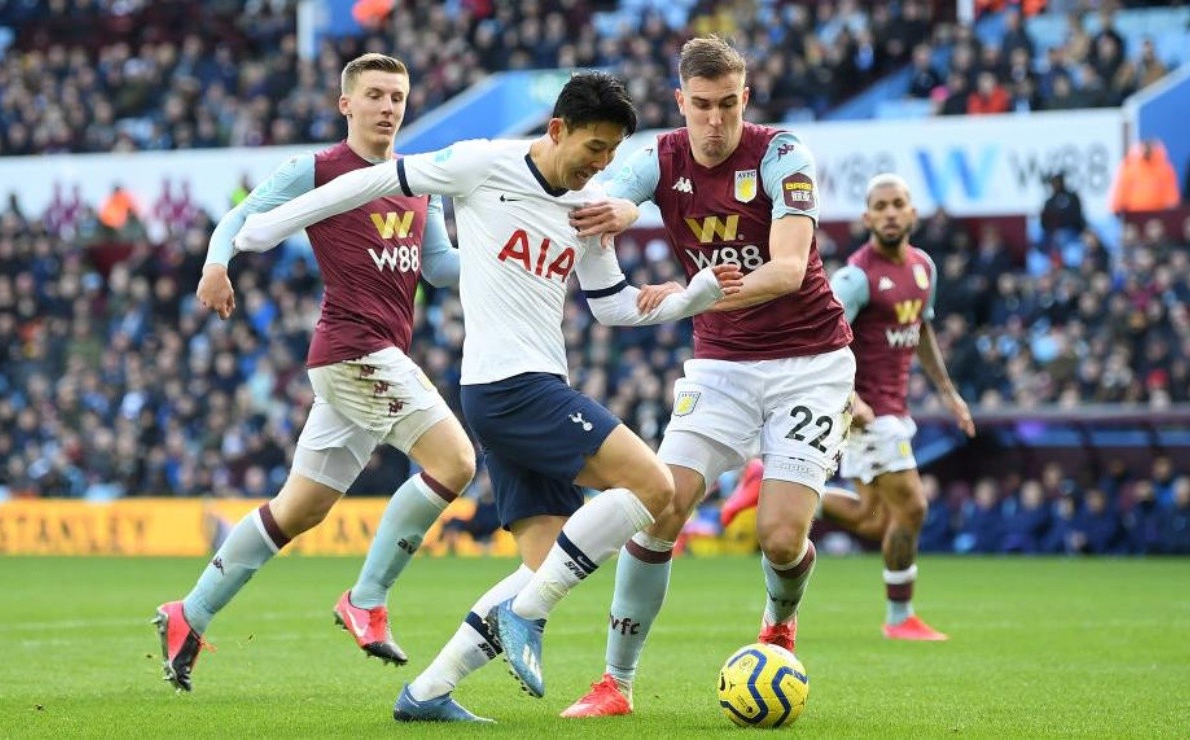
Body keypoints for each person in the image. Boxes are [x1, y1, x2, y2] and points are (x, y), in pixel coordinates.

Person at [235, 71, 743, 722]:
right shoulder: (481, 163)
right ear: (557, 129)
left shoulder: (585, 208)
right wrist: (270, 223)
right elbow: (375, 181)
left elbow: (613, 308)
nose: (602, 166)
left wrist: (694, 297)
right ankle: (525, 619)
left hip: (535, 387)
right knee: (655, 488)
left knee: (544, 562)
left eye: (613, 153)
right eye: (594, 147)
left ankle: (427, 692)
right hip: (507, 387)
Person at [153, 53, 478, 692]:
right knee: (456, 463)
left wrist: (505, 259)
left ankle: (186, 614)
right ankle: (367, 598)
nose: (389, 107)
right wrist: (216, 263)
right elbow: (241, 216)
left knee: (298, 510)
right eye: (376, 95)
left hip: (373, 358)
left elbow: (438, 269)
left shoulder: (419, 180)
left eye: (398, 96)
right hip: (353, 351)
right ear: (346, 105)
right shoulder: (317, 170)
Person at [559, 36, 855, 719]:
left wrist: (691, 294)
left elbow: (786, 270)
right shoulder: (662, 156)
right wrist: (624, 214)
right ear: (679, 103)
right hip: (721, 366)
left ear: (744, 99)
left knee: (781, 538)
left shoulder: (782, 153)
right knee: (659, 505)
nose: (714, 121)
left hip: (809, 364)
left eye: (727, 105)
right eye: (700, 106)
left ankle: (780, 620)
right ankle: (615, 684)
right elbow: (617, 197)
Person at [818, 173, 976, 641]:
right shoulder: (854, 278)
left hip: (894, 406)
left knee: (872, 517)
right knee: (913, 507)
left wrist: (948, 392)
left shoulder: (923, 267)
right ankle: (899, 618)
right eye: (880, 206)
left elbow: (921, 329)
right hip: (867, 410)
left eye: (897, 204)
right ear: (867, 218)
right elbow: (823, 340)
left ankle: (776, 488)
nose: (889, 212)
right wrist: (851, 399)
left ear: (912, 213)